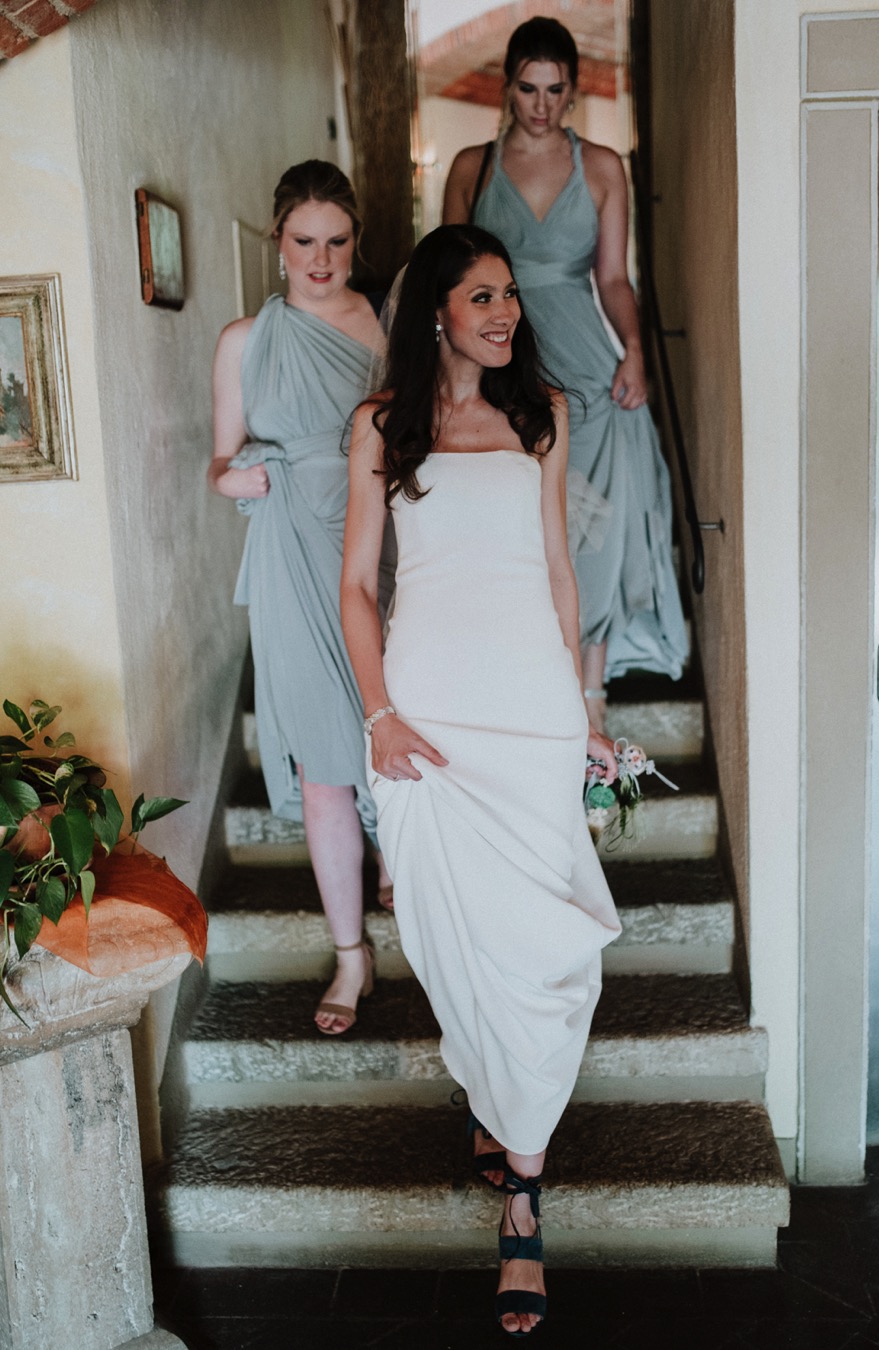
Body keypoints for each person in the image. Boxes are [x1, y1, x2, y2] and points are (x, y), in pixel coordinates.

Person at [340, 224, 621, 1336]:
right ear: (437, 313)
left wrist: (584, 709)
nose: (505, 313)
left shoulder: (541, 414)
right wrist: (378, 714)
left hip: (532, 718)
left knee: (544, 958)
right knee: (457, 948)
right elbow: (358, 586)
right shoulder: (380, 426)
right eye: (482, 297)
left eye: (508, 294)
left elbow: (559, 571)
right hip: (426, 717)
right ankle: (500, 1113)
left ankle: (523, 1204)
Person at [443, 16, 688, 733]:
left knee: (600, 532)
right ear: (508, 87)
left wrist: (635, 352)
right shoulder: (470, 168)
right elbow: (446, 282)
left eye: (556, 90)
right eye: (528, 88)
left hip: (589, 360)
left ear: (574, 91)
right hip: (503, 357)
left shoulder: (605, 166)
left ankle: (590, 693)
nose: (542, 105)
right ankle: (521, 675)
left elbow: (613, 278)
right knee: (516, 522)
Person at [208, 159, 391, 1036]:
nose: (320, 259)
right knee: (324, 766)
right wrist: (231, 480)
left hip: (372, 545)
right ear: (277, 244)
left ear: (356, 242)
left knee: (400, 732)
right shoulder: (245, 339)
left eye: (337, 242)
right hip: (286, 551)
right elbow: (219, 460)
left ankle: (412, 885)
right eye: (303, 242)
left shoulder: (383, 324)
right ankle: (350, 955)